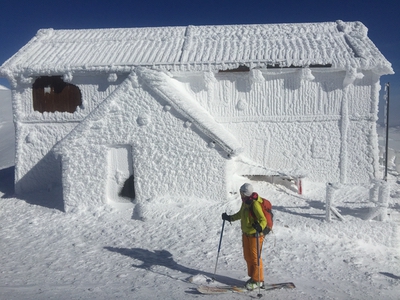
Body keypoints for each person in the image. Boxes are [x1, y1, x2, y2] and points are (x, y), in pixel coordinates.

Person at [222, 183, 267, 290]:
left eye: (241, 192)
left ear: (245, 193)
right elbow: (240, 214)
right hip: (246, 235)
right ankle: (253, 278)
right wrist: (229, 218)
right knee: (248, 257)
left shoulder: (254, 204)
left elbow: (263, 220)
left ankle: (258, 280)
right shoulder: (245, 203)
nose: (240, 194)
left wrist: (259, 227)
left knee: (255, 258)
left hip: (255, 235)